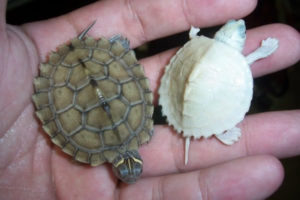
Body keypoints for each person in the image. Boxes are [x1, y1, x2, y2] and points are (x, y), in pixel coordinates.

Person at [0, 0, 299, 199]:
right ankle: (113, 49)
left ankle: (113, 49)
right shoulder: (138, 128)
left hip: (66, 75)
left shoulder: (112, 139)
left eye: (126, 167)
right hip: (87, 69)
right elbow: (133, 89)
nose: (130, 169)